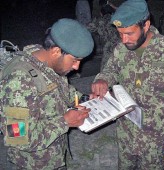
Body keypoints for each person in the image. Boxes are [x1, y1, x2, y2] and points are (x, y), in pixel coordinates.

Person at [91, 0, 164, 169]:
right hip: (126, 132)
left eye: (129, 33)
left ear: (146, 25)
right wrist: (103, 79)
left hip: (155, 137)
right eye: (120, 34)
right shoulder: (121, 48)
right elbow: (111, 69)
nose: (124, 39)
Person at [0, 18, 94, 169]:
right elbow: (17, 137)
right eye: (75, 60)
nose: (77, 67)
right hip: (32, 164)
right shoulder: (18, 82)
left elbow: (59, 89)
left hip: (53, 156)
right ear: (56, 51)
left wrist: (84, 98)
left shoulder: (47, 60)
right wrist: (64, 122)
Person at [86, 0, 120, 71]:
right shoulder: (118, 19)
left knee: (105, 70)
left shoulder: (99, 21)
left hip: (109, 47)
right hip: (122, 45)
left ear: (101, 13)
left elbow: (87, 28)